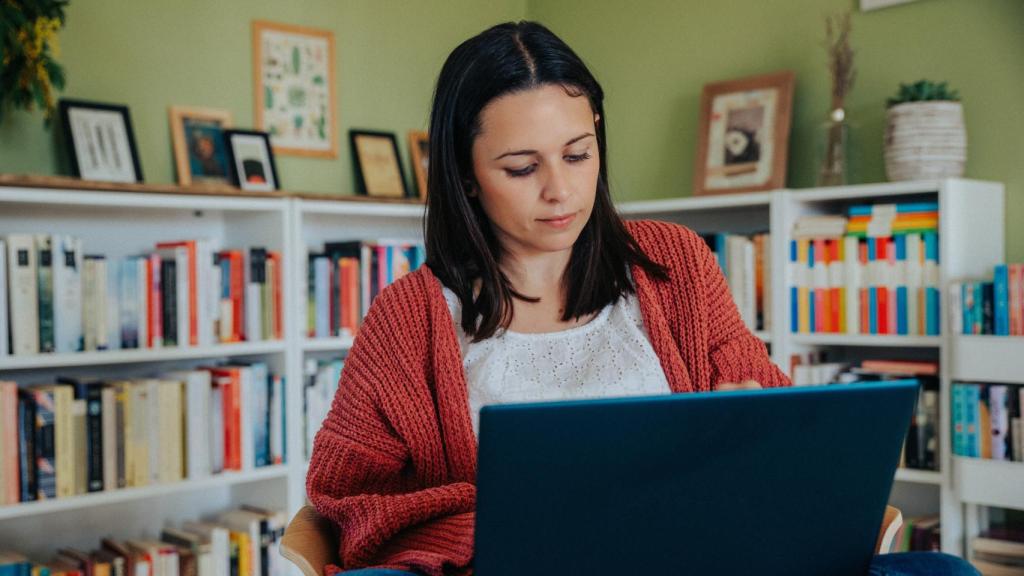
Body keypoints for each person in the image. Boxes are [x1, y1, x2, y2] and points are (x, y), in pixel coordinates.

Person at [306, 21, 979, 576]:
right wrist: (501, 529)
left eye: (578, 153)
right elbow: (347, 500)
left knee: (942, 572)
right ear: (467, 176)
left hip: (697, 557)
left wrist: (753, 414)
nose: (561, 191)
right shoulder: (412, 315)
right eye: (521, 167)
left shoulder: (673, 263)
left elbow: (785, 436)